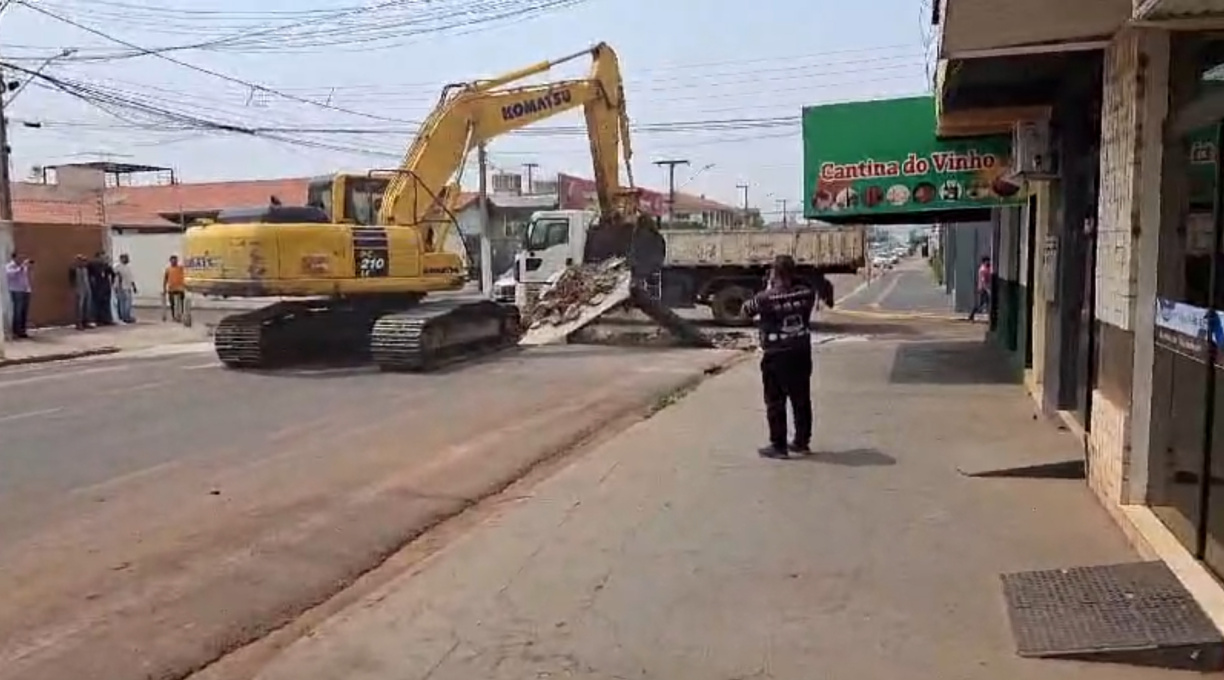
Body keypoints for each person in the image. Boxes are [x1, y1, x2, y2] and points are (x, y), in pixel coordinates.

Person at [741, 255, 821, 459]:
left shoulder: (765, 298)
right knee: (801, 398)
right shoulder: (807, 294)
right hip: (801, 352)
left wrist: (768, 287)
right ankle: (802, 442)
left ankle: (779, 446)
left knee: (775, 400)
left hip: (776, 354)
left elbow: (745, 311)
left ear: (774, 273)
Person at [5, 252, 32, 339]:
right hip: (16, 291)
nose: (21, 259)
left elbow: (25, 278)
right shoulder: (9, 266)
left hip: (25, 290)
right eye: (19, 257)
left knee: (24, 311)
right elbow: (10, 276)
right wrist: (21, 267)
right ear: (14, 258)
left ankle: (23, 330)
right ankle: (16, 330)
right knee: (18, 311)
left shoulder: (23, 266)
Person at [87, 251, 115, 325]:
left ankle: (106, 319)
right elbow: (89, 275)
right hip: (97, 286)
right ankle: (97, 319)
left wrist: (112, 282)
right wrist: (92, 283)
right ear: (98, 257)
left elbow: (112, 273)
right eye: (102, 257)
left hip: (105, 286)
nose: (103, 258)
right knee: (96, 304)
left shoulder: (105, 265)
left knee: (106, 304)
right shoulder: (92, 265)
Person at [68, 254, 93, 330]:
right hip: (79, 288)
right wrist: (74, 288)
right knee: (79, 307)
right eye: (81, 260)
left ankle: (86, 322)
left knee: (87, 305)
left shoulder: (86, 268)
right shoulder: (73, 269)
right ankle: (79, 323)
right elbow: (71, 280)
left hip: (87, 287)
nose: (83, 262)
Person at [113, 253, 137, 324]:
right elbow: (116, 276)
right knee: (122, 303)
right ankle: (123, 317)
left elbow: (131, 278)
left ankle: (127, 316)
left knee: (128, 303)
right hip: (122, 287)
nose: (127, 259)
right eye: (126, 258)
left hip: (128, 287)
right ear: (122, 259)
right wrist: (117, 286)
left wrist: (134, 286)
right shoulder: (117, 267)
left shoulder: (128, 267)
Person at [968, 256, 992, 322]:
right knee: (982, 304)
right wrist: (987, 290)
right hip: (983, 289)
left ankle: (972, 315)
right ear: (984, 262)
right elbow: (983, 281)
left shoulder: (986, 268)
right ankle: (972, 314)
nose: (989, 262)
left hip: (984, 288)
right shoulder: (983, 270)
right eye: (988, 261)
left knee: (986, 303)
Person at [163, 255, 186, 322]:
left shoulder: (181, 268)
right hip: (171, 289)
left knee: (181, 303)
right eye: (172, 260)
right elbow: (165, 279)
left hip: (180, 289)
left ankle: (180, 315)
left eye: (175, 260)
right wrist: (164, 288)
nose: (174, 261)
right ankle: (174, 316)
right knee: (172, 303)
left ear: (177, 261)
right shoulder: (168, 269)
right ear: (170, 261)